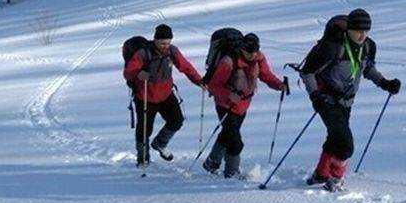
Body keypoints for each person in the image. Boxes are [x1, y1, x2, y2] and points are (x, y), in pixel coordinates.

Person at [300, 9, 401, 191]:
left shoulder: (369, 47)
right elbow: (307, 72)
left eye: (366, 31)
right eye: (358, 31)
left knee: (335, 137)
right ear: (349, 29)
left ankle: (320, 174)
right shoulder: (332, 47)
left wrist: (385, 83)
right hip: (327, 100)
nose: (362, 35)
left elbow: (367, 69)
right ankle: (336, 180)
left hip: (347, 102)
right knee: (345, 145)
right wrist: (315, 96)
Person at [204, 33, 288, 178]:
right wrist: (229, 95)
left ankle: (212, 162)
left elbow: (266, 75)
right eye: (249, 52)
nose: (252, 55)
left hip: (243, 106)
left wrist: (279, 85)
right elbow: (213, 86)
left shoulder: (258, 58)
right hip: (225, 105)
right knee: (236, 142)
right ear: (242, 49)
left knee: (228, 134)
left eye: (255, 51)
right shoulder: (228, 61)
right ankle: (231, 172)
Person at [123, 24, 204, 166]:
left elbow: (186, 67)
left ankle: (160, 143)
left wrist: (199, 81)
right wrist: (138, 73)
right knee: (144, 130)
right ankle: (143, 159)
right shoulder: (143, 53)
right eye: (162, 42)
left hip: (166, 94)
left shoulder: (172, 52)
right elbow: (128, 72)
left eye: (168, 42)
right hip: (145, 96)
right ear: (155, 40)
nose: (165, 45)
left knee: (176, 120)